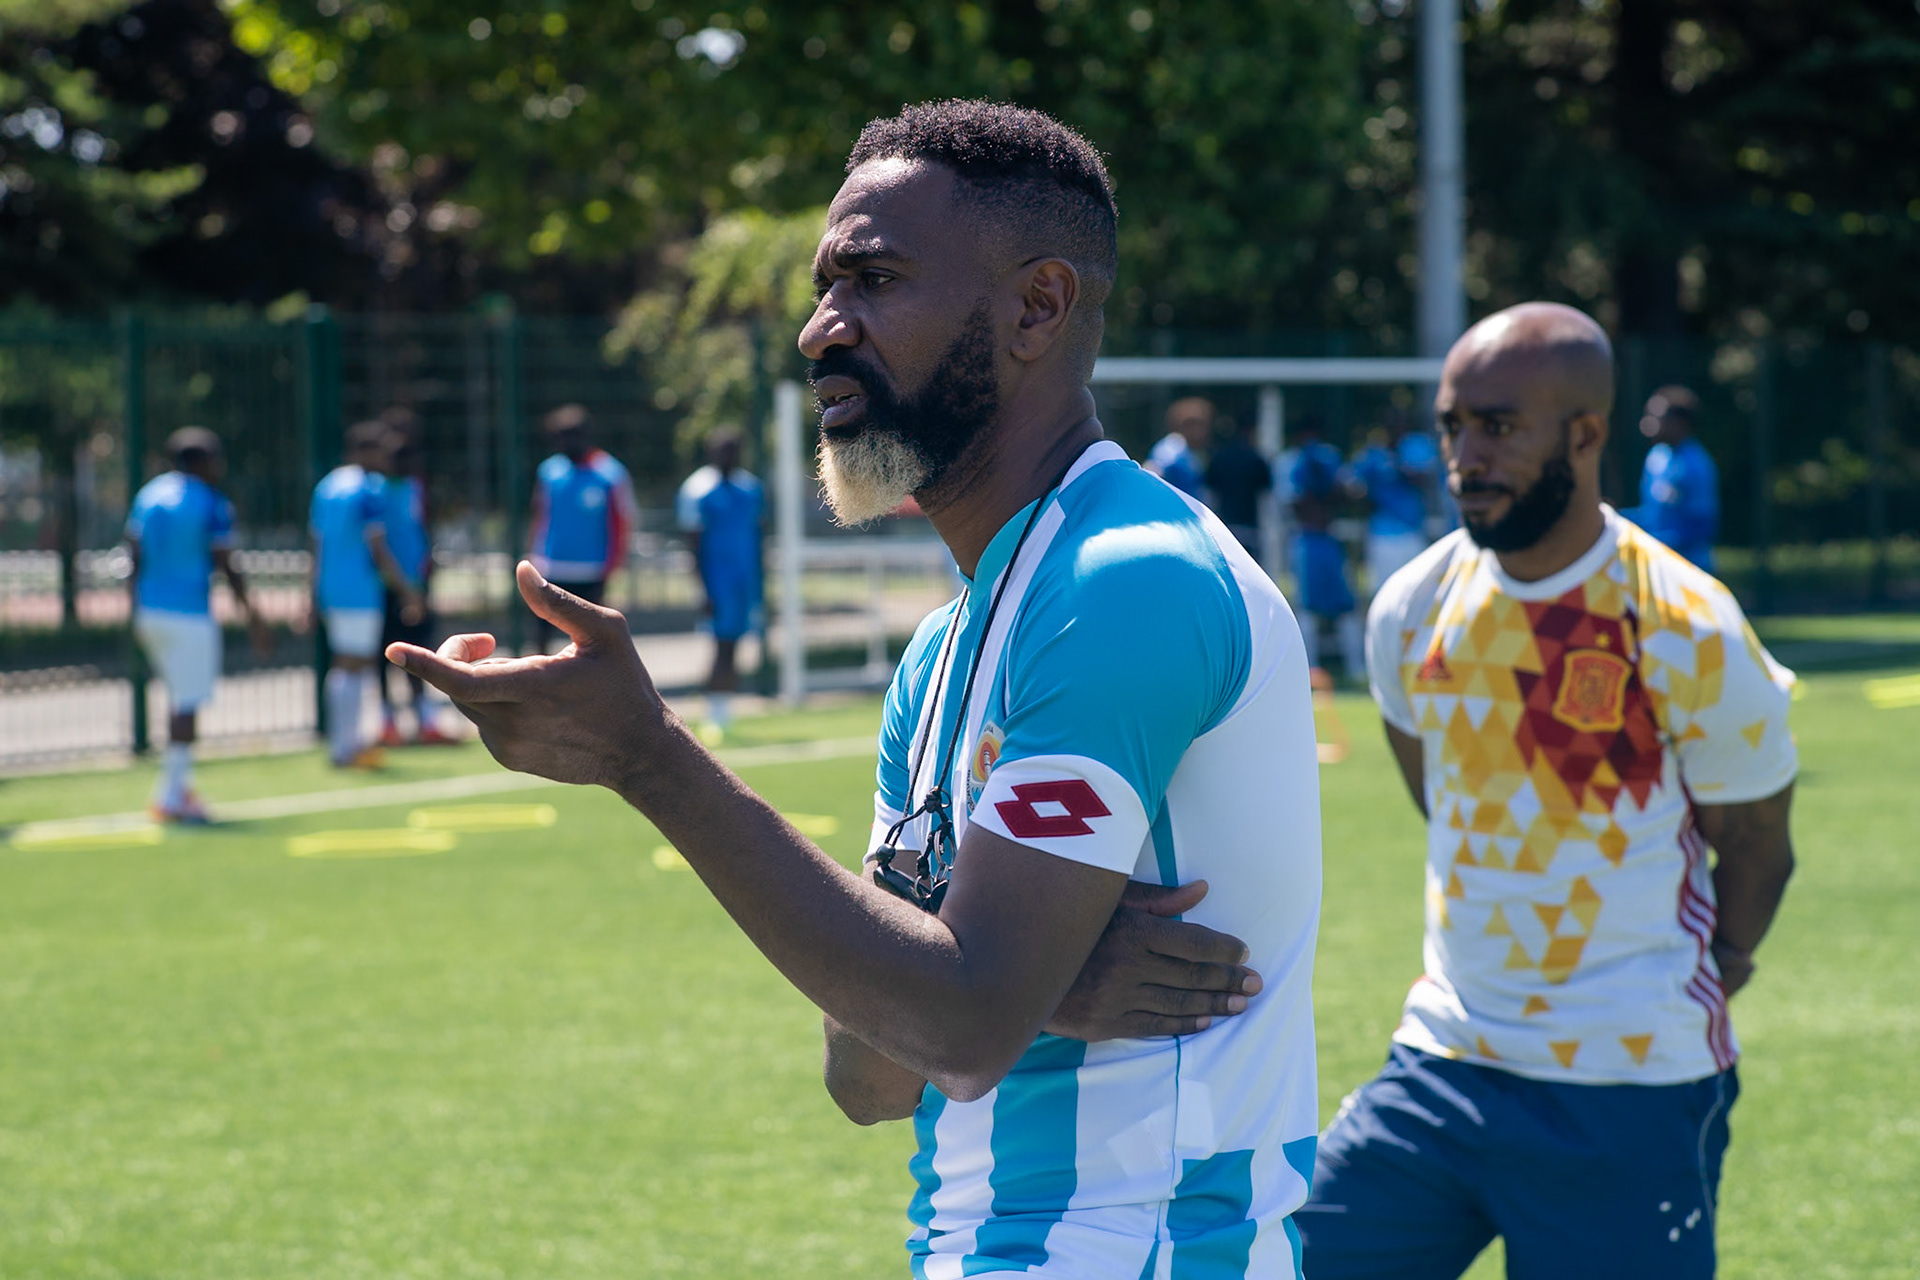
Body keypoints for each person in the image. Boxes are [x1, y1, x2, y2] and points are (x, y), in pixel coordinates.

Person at [391, 100, 1322, 1278]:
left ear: (1038, 306)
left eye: (873, 280)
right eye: (825, 286)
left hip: (1142, 1249)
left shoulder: (1123, 580)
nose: (820, 331)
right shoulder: (942, 648)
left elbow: (957, 1023)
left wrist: (650, 756)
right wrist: (1034, 981)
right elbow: (867, 1070)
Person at [1297, 303, 1798, 1280]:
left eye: (1497, 425)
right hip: (1443, 1060)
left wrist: (1719, 958)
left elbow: (1757, 841)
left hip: (1629, 1085)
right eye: (1452, 425)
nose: (1464, 454)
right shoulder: (1412, 607)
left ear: (1586, 433)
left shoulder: (1686, 623)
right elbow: (1437, 795)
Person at [125, 427, 269, 822]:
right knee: (186, 705)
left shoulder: (149, 495)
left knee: (178, 699)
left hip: (149, 610)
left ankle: (175, 789)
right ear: (201, 461)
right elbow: (226, 563)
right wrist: (252, 614)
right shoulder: (211, 502)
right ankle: (171, 796)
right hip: (188, 614)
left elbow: (133, 553)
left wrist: (132, 608)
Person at [309, 421, 424, 769]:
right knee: (357, 664)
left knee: (344, 662)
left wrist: (312, 593)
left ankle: (342, 743)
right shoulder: (369, 490)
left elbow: (316, 544)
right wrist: (407, 590)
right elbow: (378, 549)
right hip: (360, 588)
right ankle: (350, 746)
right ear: (366, 451)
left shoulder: (327, 486)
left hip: (331, 586)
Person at [675, 429, 764, 737]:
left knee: (735, 645)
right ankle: (714, 712)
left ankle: (724, 710)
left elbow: (757, 538)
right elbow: (692, 545)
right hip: (717, 584)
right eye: (723, 451)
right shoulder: (697, 490)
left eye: (733, 451)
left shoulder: (751, 488)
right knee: (720, 647)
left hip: (745, 582)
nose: (729, 457)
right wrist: (702, 589)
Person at [528, 403, 638, 650]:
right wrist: (534, 553)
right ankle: (542, 684)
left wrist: (615, 561)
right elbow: (541, 514)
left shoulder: (611, 473)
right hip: (552, 564)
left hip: (592, 568)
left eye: (568, 437)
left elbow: (623, 519)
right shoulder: (549, 471)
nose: (563, 444)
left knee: (590, 636)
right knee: (542, 631)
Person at [376, 411, 451, 746]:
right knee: (385, 652)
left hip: (417, 583)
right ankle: (387, 721)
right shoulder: (374, 489)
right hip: (386, 585)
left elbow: (422, 528)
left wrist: (426, 568)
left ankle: (424, 718)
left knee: (419, 651)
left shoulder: (416, 487)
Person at [1288, 417, 1364, 677]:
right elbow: (1295, 502)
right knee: (1307, 606)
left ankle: (1355, 667)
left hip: (1326, 539)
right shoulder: (1294, 463)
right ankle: (1307, 668)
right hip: (1308, 539)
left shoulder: (1328, 459)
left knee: (1344, 605)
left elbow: (1350, 493)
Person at [1629, 385, 1720, 571]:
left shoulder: (1696, 466)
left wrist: (1651, 540)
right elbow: (1650, 515)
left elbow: (1702, 527)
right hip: (1657, 565)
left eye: (1658, 418)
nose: (1647, 423)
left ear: (1680, 422)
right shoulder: (1656, 457)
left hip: (1690, 570)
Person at [1352, 411, 1441, 592]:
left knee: (1417, 590)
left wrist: (1399, 466)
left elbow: (1426, 480)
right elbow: (1353, 487)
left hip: (1413, 531)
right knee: (1383, 589)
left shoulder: (1416, 447)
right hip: (1382, 533)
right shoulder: (1374, 455)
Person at [1203, 411, 1272, 559]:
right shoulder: (1256, 458)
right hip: (1250, 526)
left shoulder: (1218, 457)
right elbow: (1266, 496)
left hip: (1224, 527)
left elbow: (1209, 494)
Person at [1144, 395, 1210, 498]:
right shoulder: (1169, 450)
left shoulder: (1195, 452)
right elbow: (1149, 477)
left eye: (1201, 424)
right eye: (1190, 424)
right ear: (1176, 424)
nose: (1197, 430)